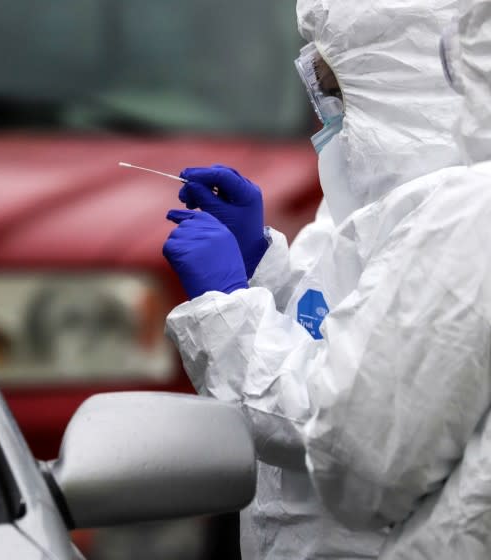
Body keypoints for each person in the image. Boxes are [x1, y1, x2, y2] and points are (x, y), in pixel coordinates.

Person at [161, 0, 463, 557]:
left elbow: (336, 429)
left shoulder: (458, 227)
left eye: (342, 96)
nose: (331, 120)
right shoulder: (369, 200)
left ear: (406, 91)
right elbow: (328, 326)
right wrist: (260, 267)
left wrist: (227, 307)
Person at [301, 1, 491, 557]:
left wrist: (232, 318)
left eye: (336, 96)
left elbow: (358, 466)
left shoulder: (470, 217)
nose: (329, 119)